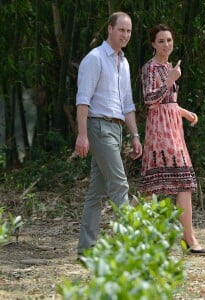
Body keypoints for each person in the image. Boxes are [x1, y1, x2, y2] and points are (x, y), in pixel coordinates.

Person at [75, 12, 143, 256]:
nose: (125, 35)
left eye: (129, 31)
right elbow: (83, 101)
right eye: (121, 30)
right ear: (110, 29)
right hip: (98, 127)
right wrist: (82, 136)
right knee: (120, 185)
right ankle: (130, 248)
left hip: (116, 129)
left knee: (96, 192)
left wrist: (135, 136)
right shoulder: (94, 59)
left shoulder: (123, 63)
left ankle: (86, 249)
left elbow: (127, 104)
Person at [140, 24, 205, 255]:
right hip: (159, 132)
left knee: (183, 182)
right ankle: (140, 237)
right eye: (161, 41)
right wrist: (170, 80)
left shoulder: (169, 66)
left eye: (169, 40)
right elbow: (149, 100)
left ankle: (188, 237)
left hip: (174, 128)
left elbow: (169, 103)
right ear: (153, 44)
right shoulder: (150, 68)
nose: (166, 44)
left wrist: (184, 112)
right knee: (154, 186)